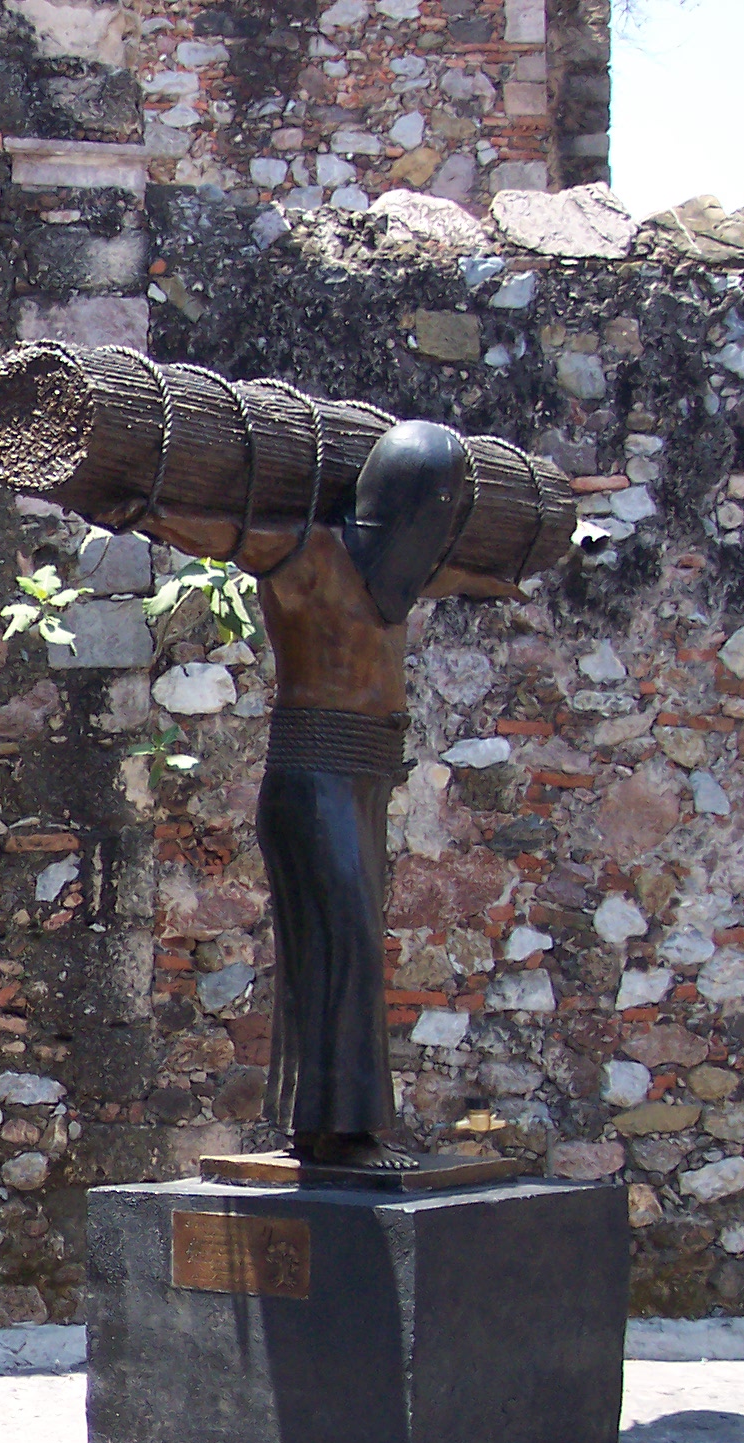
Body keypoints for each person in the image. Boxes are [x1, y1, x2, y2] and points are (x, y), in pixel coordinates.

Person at [144, 421, 518, 1171]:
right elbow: (221, 531)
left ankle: (324, 1127)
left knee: (349, 951)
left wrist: (568, 541)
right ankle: (343, 1132)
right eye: (428, 508)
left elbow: (480, 575)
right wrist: (137, 505)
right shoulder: (308, 553)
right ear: (394, 502)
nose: (434, 526)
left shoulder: (399, 577)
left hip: (365, 780)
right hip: (313, 780)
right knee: (341, 948)